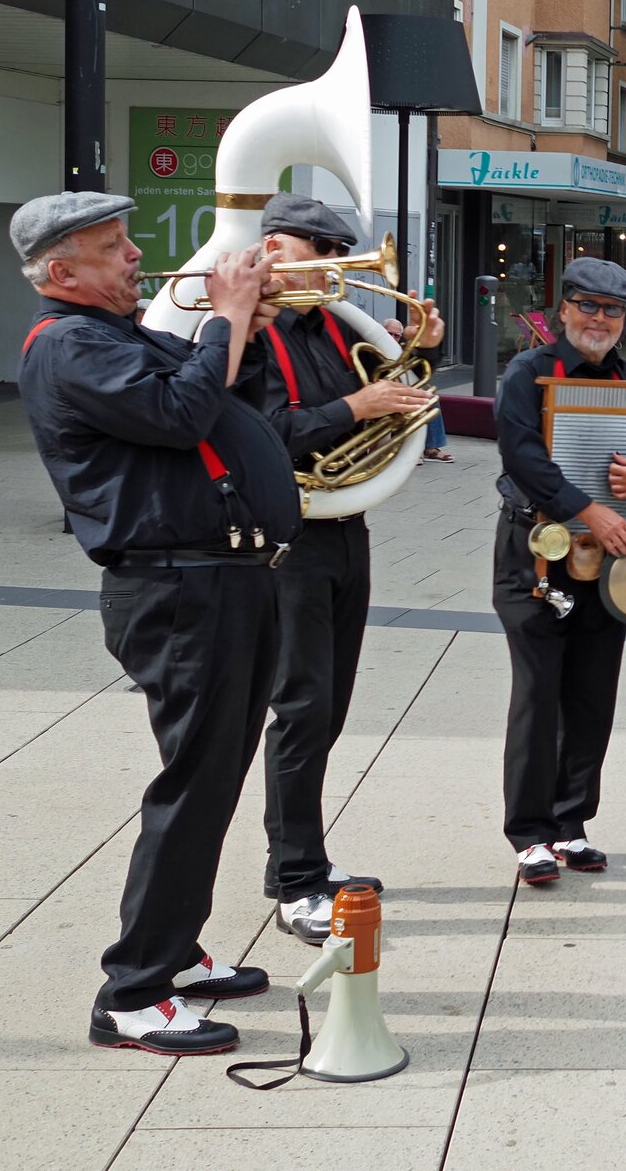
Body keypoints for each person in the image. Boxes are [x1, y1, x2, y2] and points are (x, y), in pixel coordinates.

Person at [12, 191, 295, 1056]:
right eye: (111, 247)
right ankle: (132, 992)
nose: (136, 255)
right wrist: (226, 315)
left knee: (213, 778)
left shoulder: (114, 334)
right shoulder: (68, 345)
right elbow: (179, 414)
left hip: (219, 579)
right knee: (194, 785)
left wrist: (242, 327)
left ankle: (175, 950)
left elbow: (207, 399)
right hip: (179, 590)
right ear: (61, 273)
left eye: (128, 241)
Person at [250, 195, 440, 942]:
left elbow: (393, 399)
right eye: (319, 249)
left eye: (339, 251)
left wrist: (418, 351)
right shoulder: (247, 332)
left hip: (344, 528)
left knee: (328, 707)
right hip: (288, 539)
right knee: (300, 708)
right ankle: (294, 878)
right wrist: (355, 407)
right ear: (271, 249)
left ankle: (301, 858)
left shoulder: (333, 326)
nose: (334, 265)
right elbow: (264, 434)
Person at [495, 258, 626, 885]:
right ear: (564, 310)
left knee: (591, 694)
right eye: (589, 306)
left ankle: (572, 823)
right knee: (537, 693)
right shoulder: (529, 373)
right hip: (537, 551)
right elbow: (524, 459)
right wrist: (591, 511)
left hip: (610, 563)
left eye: (613, 311)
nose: (600, 320)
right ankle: (530, 834)